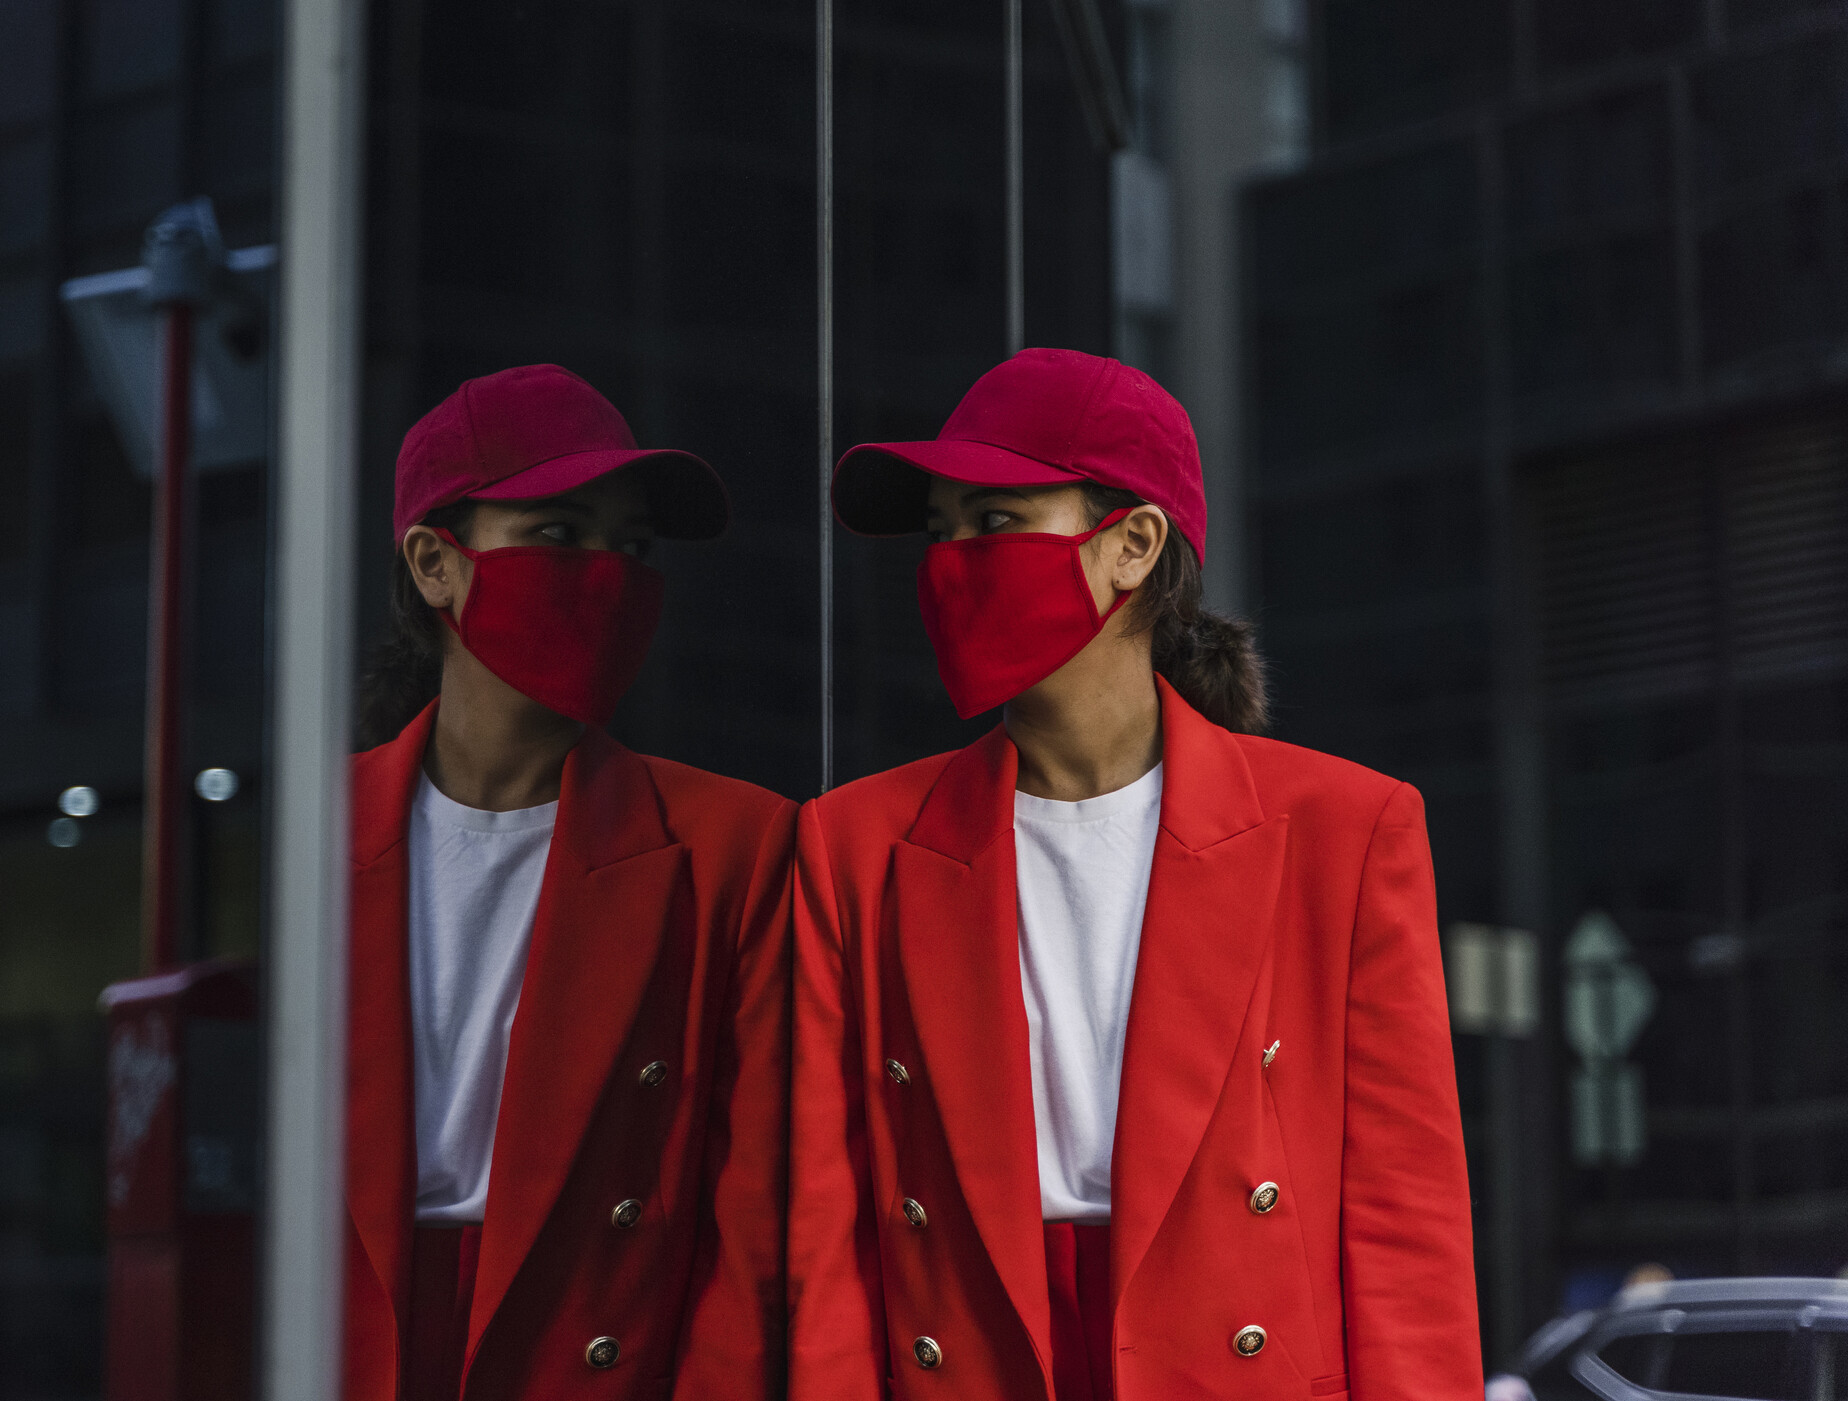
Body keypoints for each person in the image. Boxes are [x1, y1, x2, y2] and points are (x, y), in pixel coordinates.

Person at [788, 348, 1482, 1400]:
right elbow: (825, 1233)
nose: (949, 563)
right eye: (939, 533)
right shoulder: (852, 845)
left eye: (993, 523)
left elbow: (1401, 1223)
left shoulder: (1345, 829)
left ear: (1131, 547)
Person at [346, 365, 794, 1401]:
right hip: (356, 1341)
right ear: (434, 565)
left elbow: (752, 1217)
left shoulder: (732, 845)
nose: (604, 574)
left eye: (627, 547)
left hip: (588, 1353)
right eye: (556, 535)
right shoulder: (315, 837)